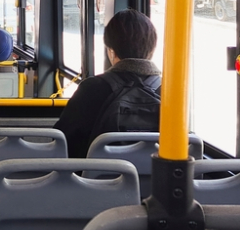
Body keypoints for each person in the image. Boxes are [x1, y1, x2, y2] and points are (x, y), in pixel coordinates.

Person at [54, 9, 161, 158]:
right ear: (152, 48)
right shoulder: (170, 91)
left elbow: (62, 141)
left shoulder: (92, 89)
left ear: (111, 51)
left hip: (96, 180)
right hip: (159, 180)